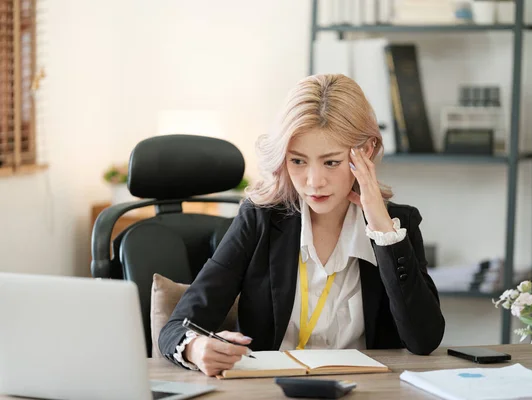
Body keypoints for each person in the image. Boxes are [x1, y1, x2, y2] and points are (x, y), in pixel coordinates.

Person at [158, 73, 445, 376]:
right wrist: (196, 348)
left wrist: (383, 231)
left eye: (331, 162)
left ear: (367, 151)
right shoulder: (260, 220)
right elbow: (177, 328)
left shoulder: (398, 226)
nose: (313, 182)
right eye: (297, 161)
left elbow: (423, 341)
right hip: (274, 391)